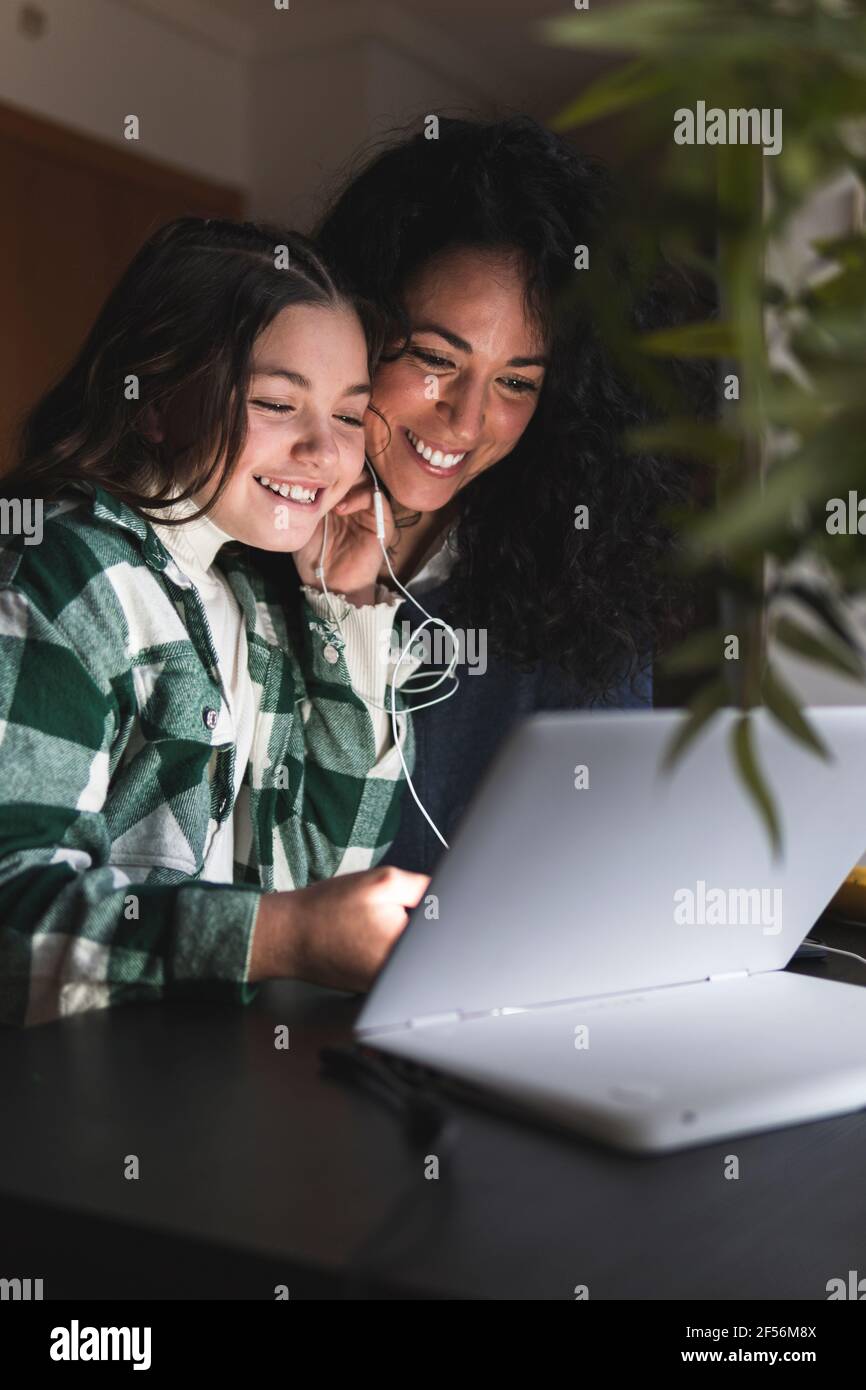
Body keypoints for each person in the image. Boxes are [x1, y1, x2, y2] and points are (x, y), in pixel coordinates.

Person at [0, 217, 427, 1028]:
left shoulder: (253, 601)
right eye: (276, 403)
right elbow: (10, 921)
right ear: (155, 402)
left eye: (347, 417)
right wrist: (281, 935)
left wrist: (354, 610)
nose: (323, 452)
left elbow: (328, 872)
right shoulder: (62, 572)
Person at [305, 115, 709, 872]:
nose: (465, 419)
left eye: (517, 382)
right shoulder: (250, 538)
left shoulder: (579, 575)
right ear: (352, 327)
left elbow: (605, 857)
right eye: (434, 357)